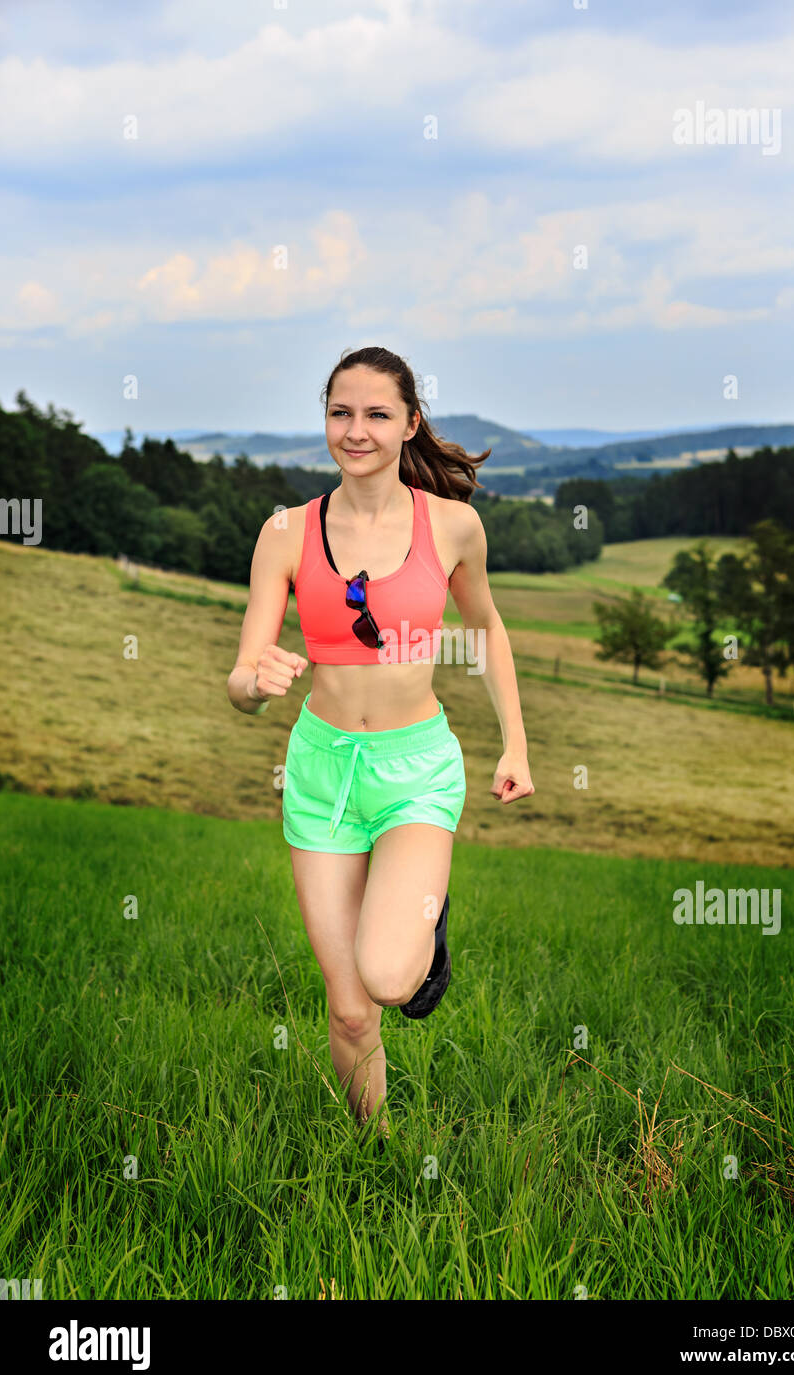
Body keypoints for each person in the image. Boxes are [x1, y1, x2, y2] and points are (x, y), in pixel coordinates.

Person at [227, 346, 534, 1149]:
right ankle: (380, 1151)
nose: (354, 431)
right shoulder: (286, 533)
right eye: (340, 412)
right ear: (324, 418)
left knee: (391, 979)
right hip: (322, 772)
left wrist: (515, 745)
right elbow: (240, 677)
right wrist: (255, 682)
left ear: (410, 424)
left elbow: (487, 628)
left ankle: (420, 929)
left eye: (375, 414)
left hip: (416, 772)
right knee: (349, 1009)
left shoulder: (454, 526)